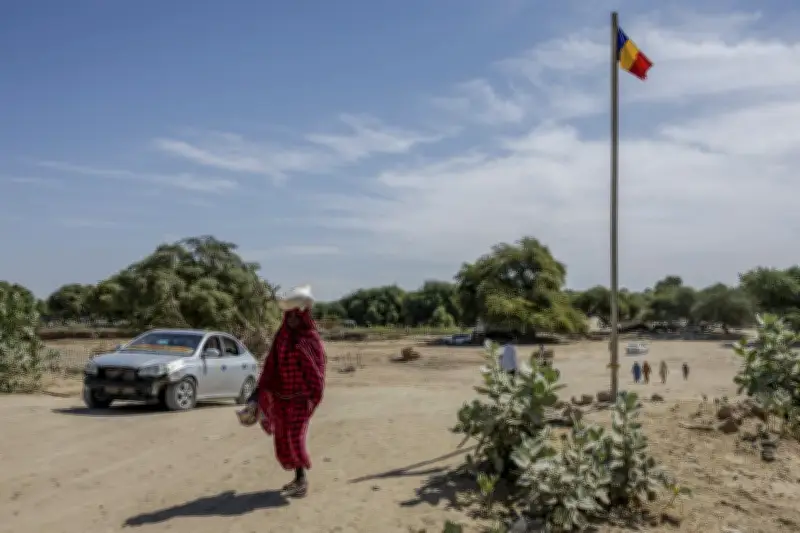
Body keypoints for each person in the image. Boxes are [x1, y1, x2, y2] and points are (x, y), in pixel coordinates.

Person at [247, 285, 326, 498]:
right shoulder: (281, 337)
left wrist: (312, 397)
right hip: (281, 398)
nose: (291, 320)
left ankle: (302, 481)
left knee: (295, 437)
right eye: (288, 316)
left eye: (295, 316)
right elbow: (271, 366)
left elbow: (317, 373)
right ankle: (298, 478)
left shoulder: (310, 339)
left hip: (301, 399)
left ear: (303, 316)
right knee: (282, 439)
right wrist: (258, 392)